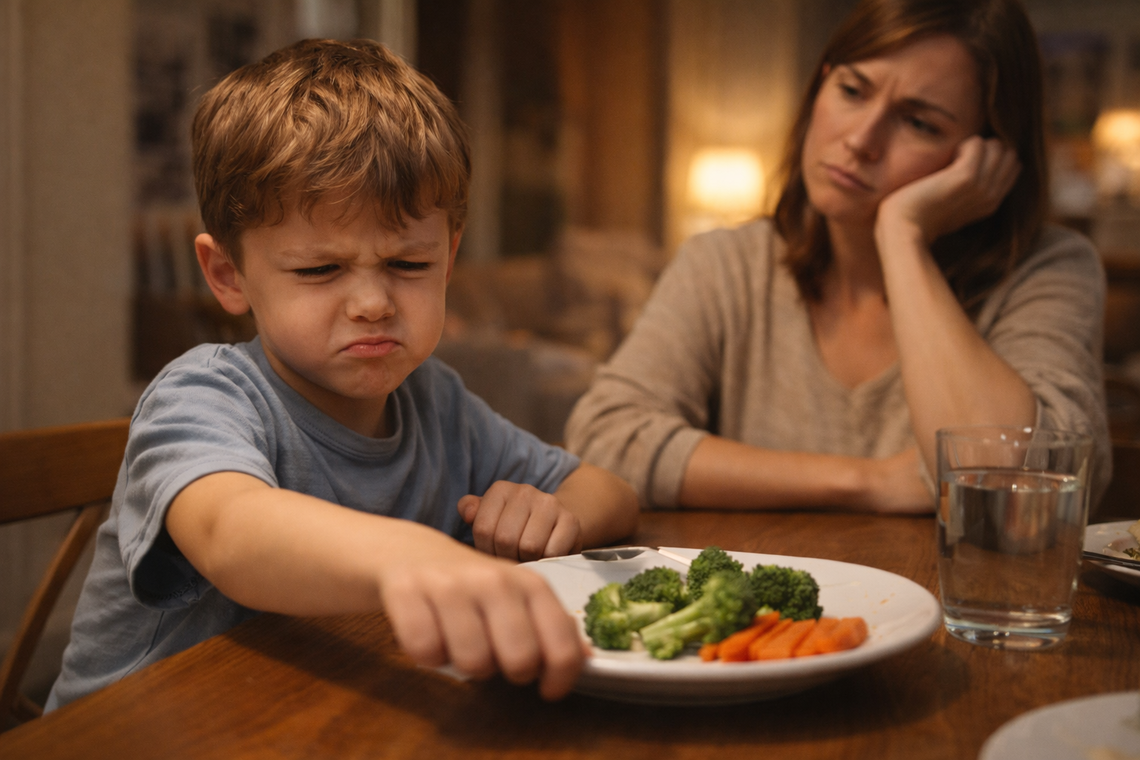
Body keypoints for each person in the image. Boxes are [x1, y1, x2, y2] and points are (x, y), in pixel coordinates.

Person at [46, 38, 638, 710]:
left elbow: (609, 491)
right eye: (320, 270)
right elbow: (231, 533)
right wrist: (414, 558)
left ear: (448, 258)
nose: (372, 303)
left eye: (408, 265)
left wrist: (553, 512)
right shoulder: (204, 395)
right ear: (228, 275)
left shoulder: (436, 401)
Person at [566, 0, 1111, 513]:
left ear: (987, 160)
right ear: (821, 83)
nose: (861, 139)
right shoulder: (727, 264)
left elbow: (1018, 492)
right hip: (767, 611)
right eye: (853, 91)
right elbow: (606, 435)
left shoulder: (1049, 269)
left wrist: (903, 236)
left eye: (919, 123)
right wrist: (867, 482)